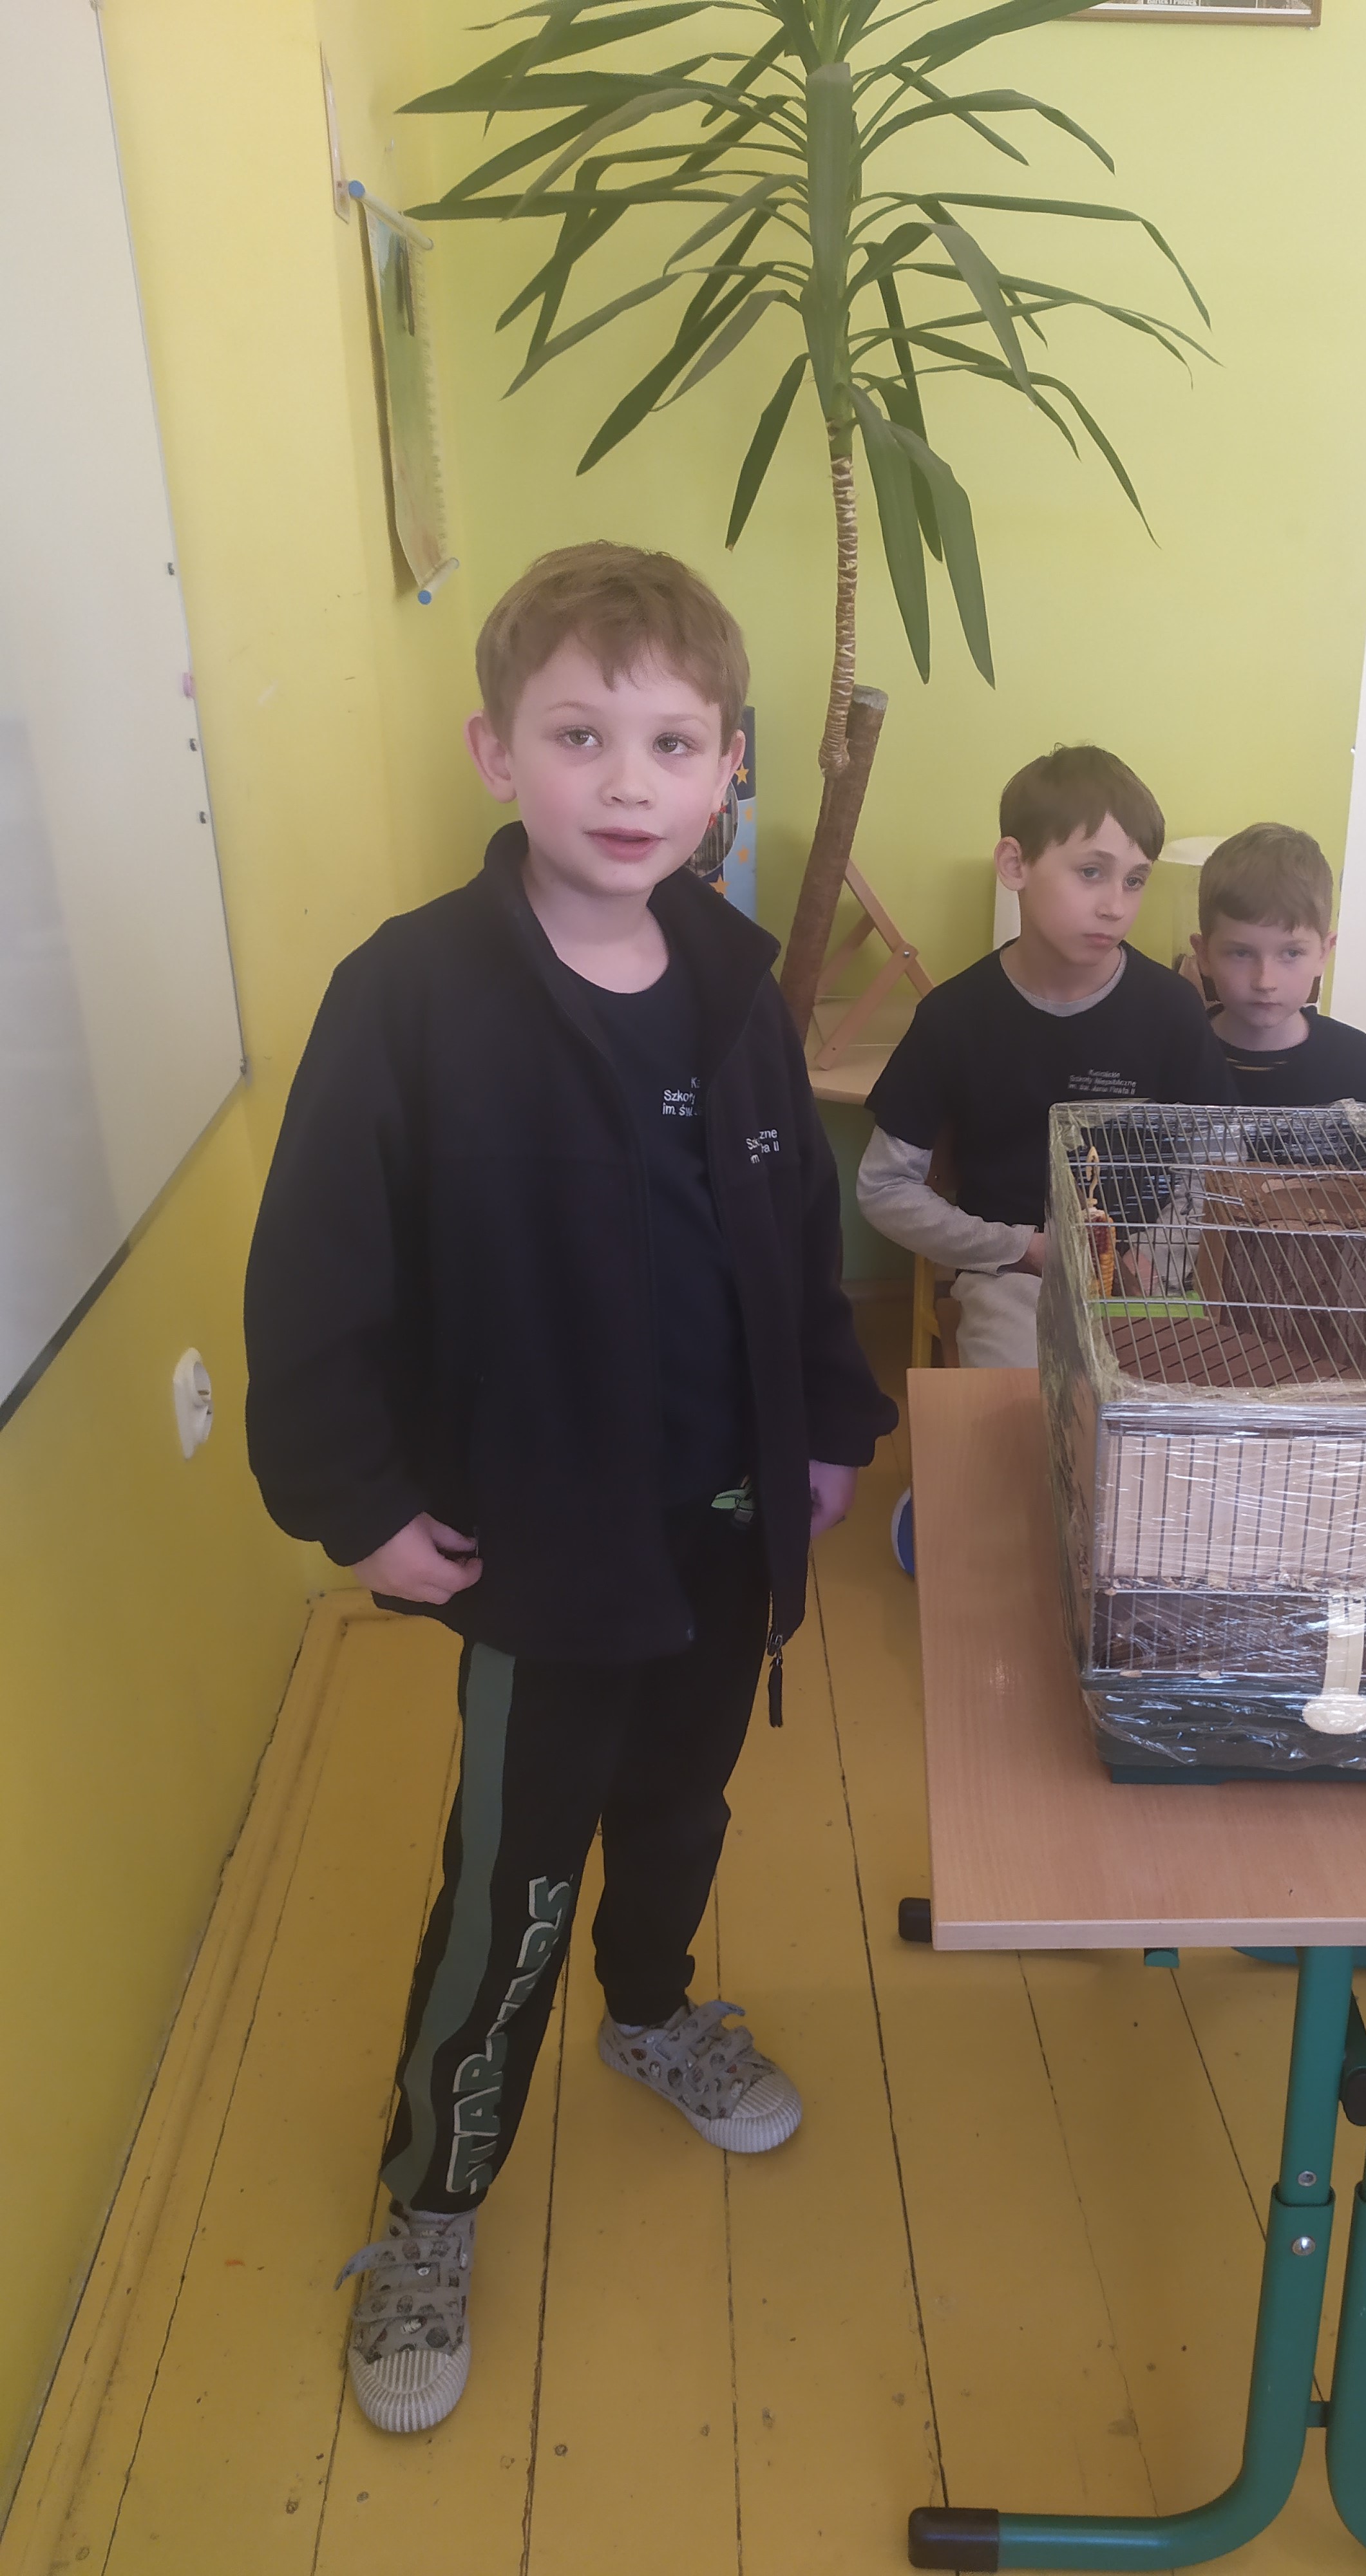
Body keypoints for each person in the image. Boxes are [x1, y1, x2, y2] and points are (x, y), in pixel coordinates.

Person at [243, 542, 896, 2434]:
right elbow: (316, 1280)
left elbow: (796, 1231)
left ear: (728, 768)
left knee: (678, 1809)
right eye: (579, 735)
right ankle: (434, 2196)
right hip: (541, 1544)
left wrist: (825, 1419)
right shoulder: (409, 997)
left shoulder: (733, 985)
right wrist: (355, 1501)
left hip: (721, 1525)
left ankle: (653, 2010)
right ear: (496, 752)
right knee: (509, 1881)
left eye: (672, 742)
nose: (627, 781)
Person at [857, 743, 1229, 1373]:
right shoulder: (954, 1015)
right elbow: (884, 1187)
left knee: (1183, 1416)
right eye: (1091, 872)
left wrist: (1159, 1257)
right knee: (1028, 1412)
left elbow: (1219, 1160)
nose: (1116, 904)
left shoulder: (1172, 1008)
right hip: (1015, 1280)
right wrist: (1021, 1248)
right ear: (1015, 864)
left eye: (1135, 880)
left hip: (1153, 1281)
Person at [1188, 822, 1366, 1109]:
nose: (1265, 982)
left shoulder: (1362, 1063)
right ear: (1203, 955)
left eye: (1291, 953)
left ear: (1323, 953)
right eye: (1241, 953)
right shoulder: (1172, 1055)